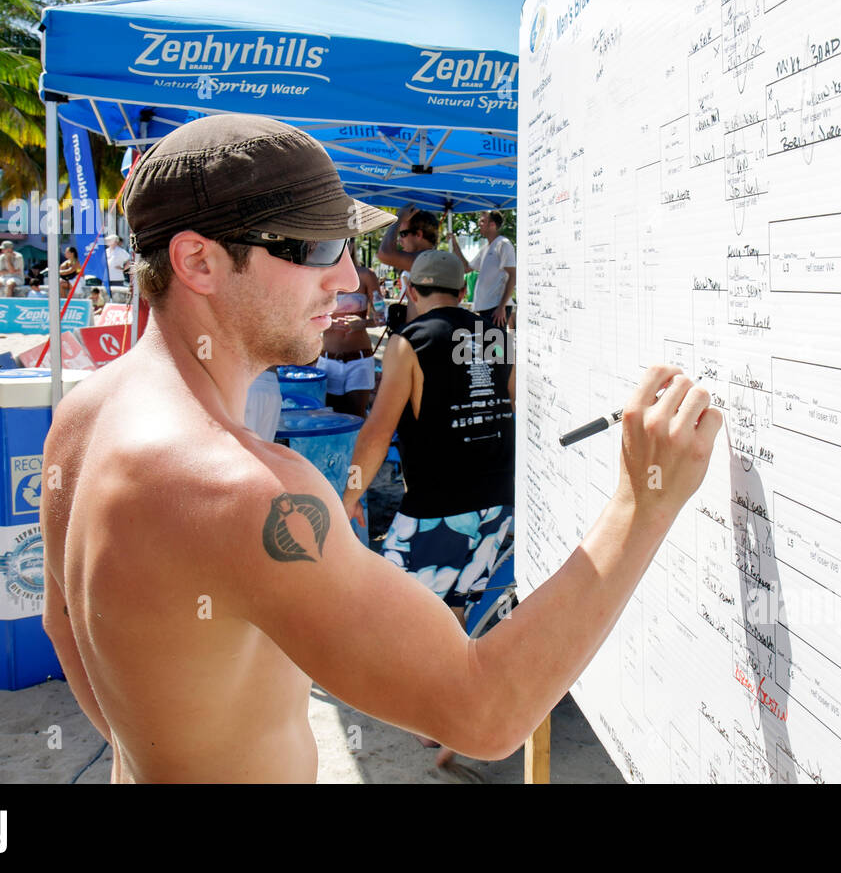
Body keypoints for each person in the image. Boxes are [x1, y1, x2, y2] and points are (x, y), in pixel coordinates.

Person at [39, 114, 721, 783]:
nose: (346, 278)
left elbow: (65, 623)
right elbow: (483, 713)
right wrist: (642, 504)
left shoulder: (81, 418)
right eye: (313, 248)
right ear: (198, 261)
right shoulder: (243, 490)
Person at [340, 250, 514, 771]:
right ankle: (448, 723)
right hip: (497, 505)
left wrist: (349, 498)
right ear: (461, 292)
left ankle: (435, 717)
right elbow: (514, 409)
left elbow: (377, 432)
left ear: (412, 292)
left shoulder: (408, 343)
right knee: (454, 611)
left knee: (389, 613)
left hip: (437, 507)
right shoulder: (499, 337)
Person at [317, 239, 382, 418]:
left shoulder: (366, 276)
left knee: (356, 417)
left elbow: (382, 316)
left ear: (352, 244)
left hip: (359, 361)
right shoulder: (320, 274)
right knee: (330, 417)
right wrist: (327, 321)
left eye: (348, 240)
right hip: (327, 360)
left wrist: (364, 323)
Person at [448, 210, 516, 328]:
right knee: (485, 345)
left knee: (496, 346)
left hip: (496, 309)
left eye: (483, 221)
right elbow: (466, 268)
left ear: (492, 225)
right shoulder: (486, 248)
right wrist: (454, 244)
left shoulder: (503, 244)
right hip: (485, 308)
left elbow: (513, 276)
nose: (479, 223)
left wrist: (501, 307)